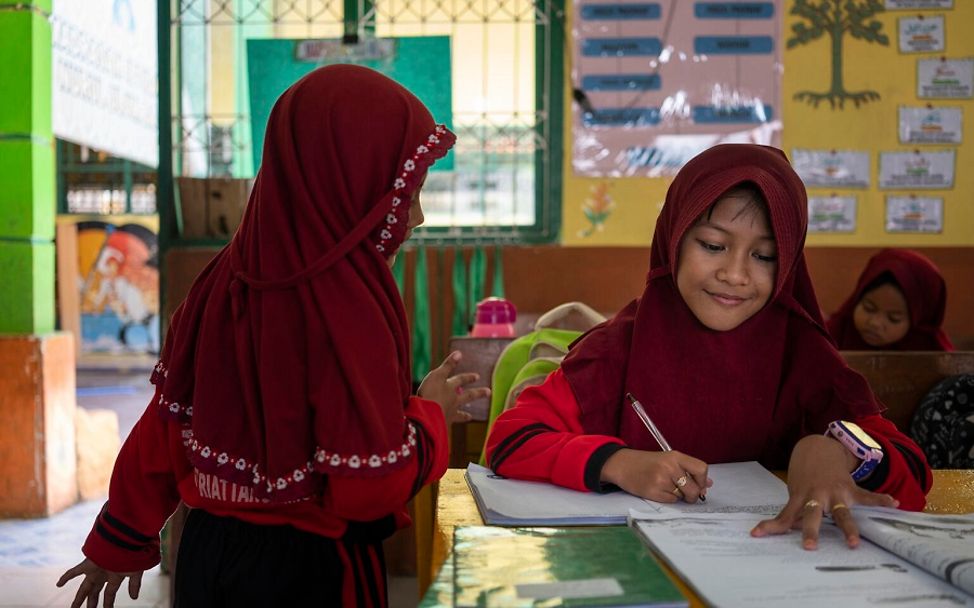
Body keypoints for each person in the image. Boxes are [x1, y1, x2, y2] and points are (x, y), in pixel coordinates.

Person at [57, 65, 489, 608]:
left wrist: (119, 537)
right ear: (347, 184)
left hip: (208, 559)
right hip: (315, 573)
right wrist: (430, 414)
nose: (416, 217)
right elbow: (366, 489)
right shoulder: (349, 307)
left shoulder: (221, 282)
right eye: (406, 191)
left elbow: (166, 425)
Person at [484, 144, 931, 552]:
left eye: (765, 256)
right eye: (714, 245)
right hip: (635, 571)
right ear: (674, 239)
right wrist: (616, 463)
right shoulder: (618, 348)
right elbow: (510, 440)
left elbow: (914, 470)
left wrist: (841, 453)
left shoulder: (805, 355)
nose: (735, 274)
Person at [827, 248, 953, 351]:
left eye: (893, 318)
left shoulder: (934, 356)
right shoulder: (832, 335)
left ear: (918, 321)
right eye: (868, 308)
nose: (874, 323)